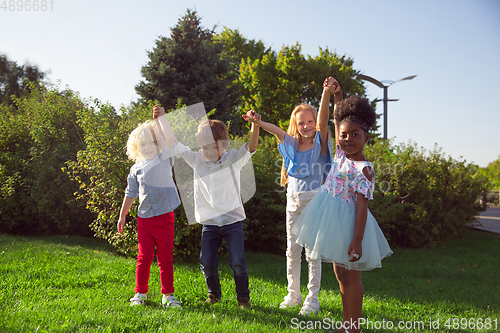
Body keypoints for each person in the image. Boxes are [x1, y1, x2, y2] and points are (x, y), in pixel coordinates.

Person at [292, 77, 393, 333]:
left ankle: (354, 327)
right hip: (331, 221)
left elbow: (362, 207)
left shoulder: (364, 169)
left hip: (351, 226)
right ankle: (347, 325)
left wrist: (357, 240)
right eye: (344, 135)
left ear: (366, 137)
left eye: (355, 135)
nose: (348, 139)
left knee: (352, 276)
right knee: (340, 275)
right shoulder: (339, 152)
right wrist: (338, 93)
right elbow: (339, 118)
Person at [156, 107, 260, 309]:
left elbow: (252, 146)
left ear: (224, 144)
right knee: (206, 263)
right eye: (205, 148)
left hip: (233, 222)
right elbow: (173, 144)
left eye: (215, 147)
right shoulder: (196, 160)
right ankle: (214, 294)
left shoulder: (233, 159)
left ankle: (243, 299)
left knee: (237, 261)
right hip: (210, 224)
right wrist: (162, 120)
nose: (210, 152)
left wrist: (255, 124)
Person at [243, 99, 334, 315]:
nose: (306, 126)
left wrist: (326, 93)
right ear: (296, 124)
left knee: (313, 253)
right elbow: (278, 132)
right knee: (292, 250)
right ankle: (293, 294)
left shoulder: (321, 142)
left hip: (314, 199)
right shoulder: (292, 144)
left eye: (310, 121)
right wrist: (259, 122)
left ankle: (312, 299)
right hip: (293, 199)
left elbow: (323, 118)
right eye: (301, 122)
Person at [117, 106, 182, 308]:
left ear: (159, 143)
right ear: (137, 147)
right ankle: (140, 293)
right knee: (143, 257)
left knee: (165, 258)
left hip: (165, 217)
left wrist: (161, 119)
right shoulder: (135, 169)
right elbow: (130, 193)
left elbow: (170, 139)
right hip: (144, 220)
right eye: (143, 144)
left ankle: (168, 295)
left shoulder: (165, 158)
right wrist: (122, 215)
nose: (148, 147)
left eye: (153, 142)